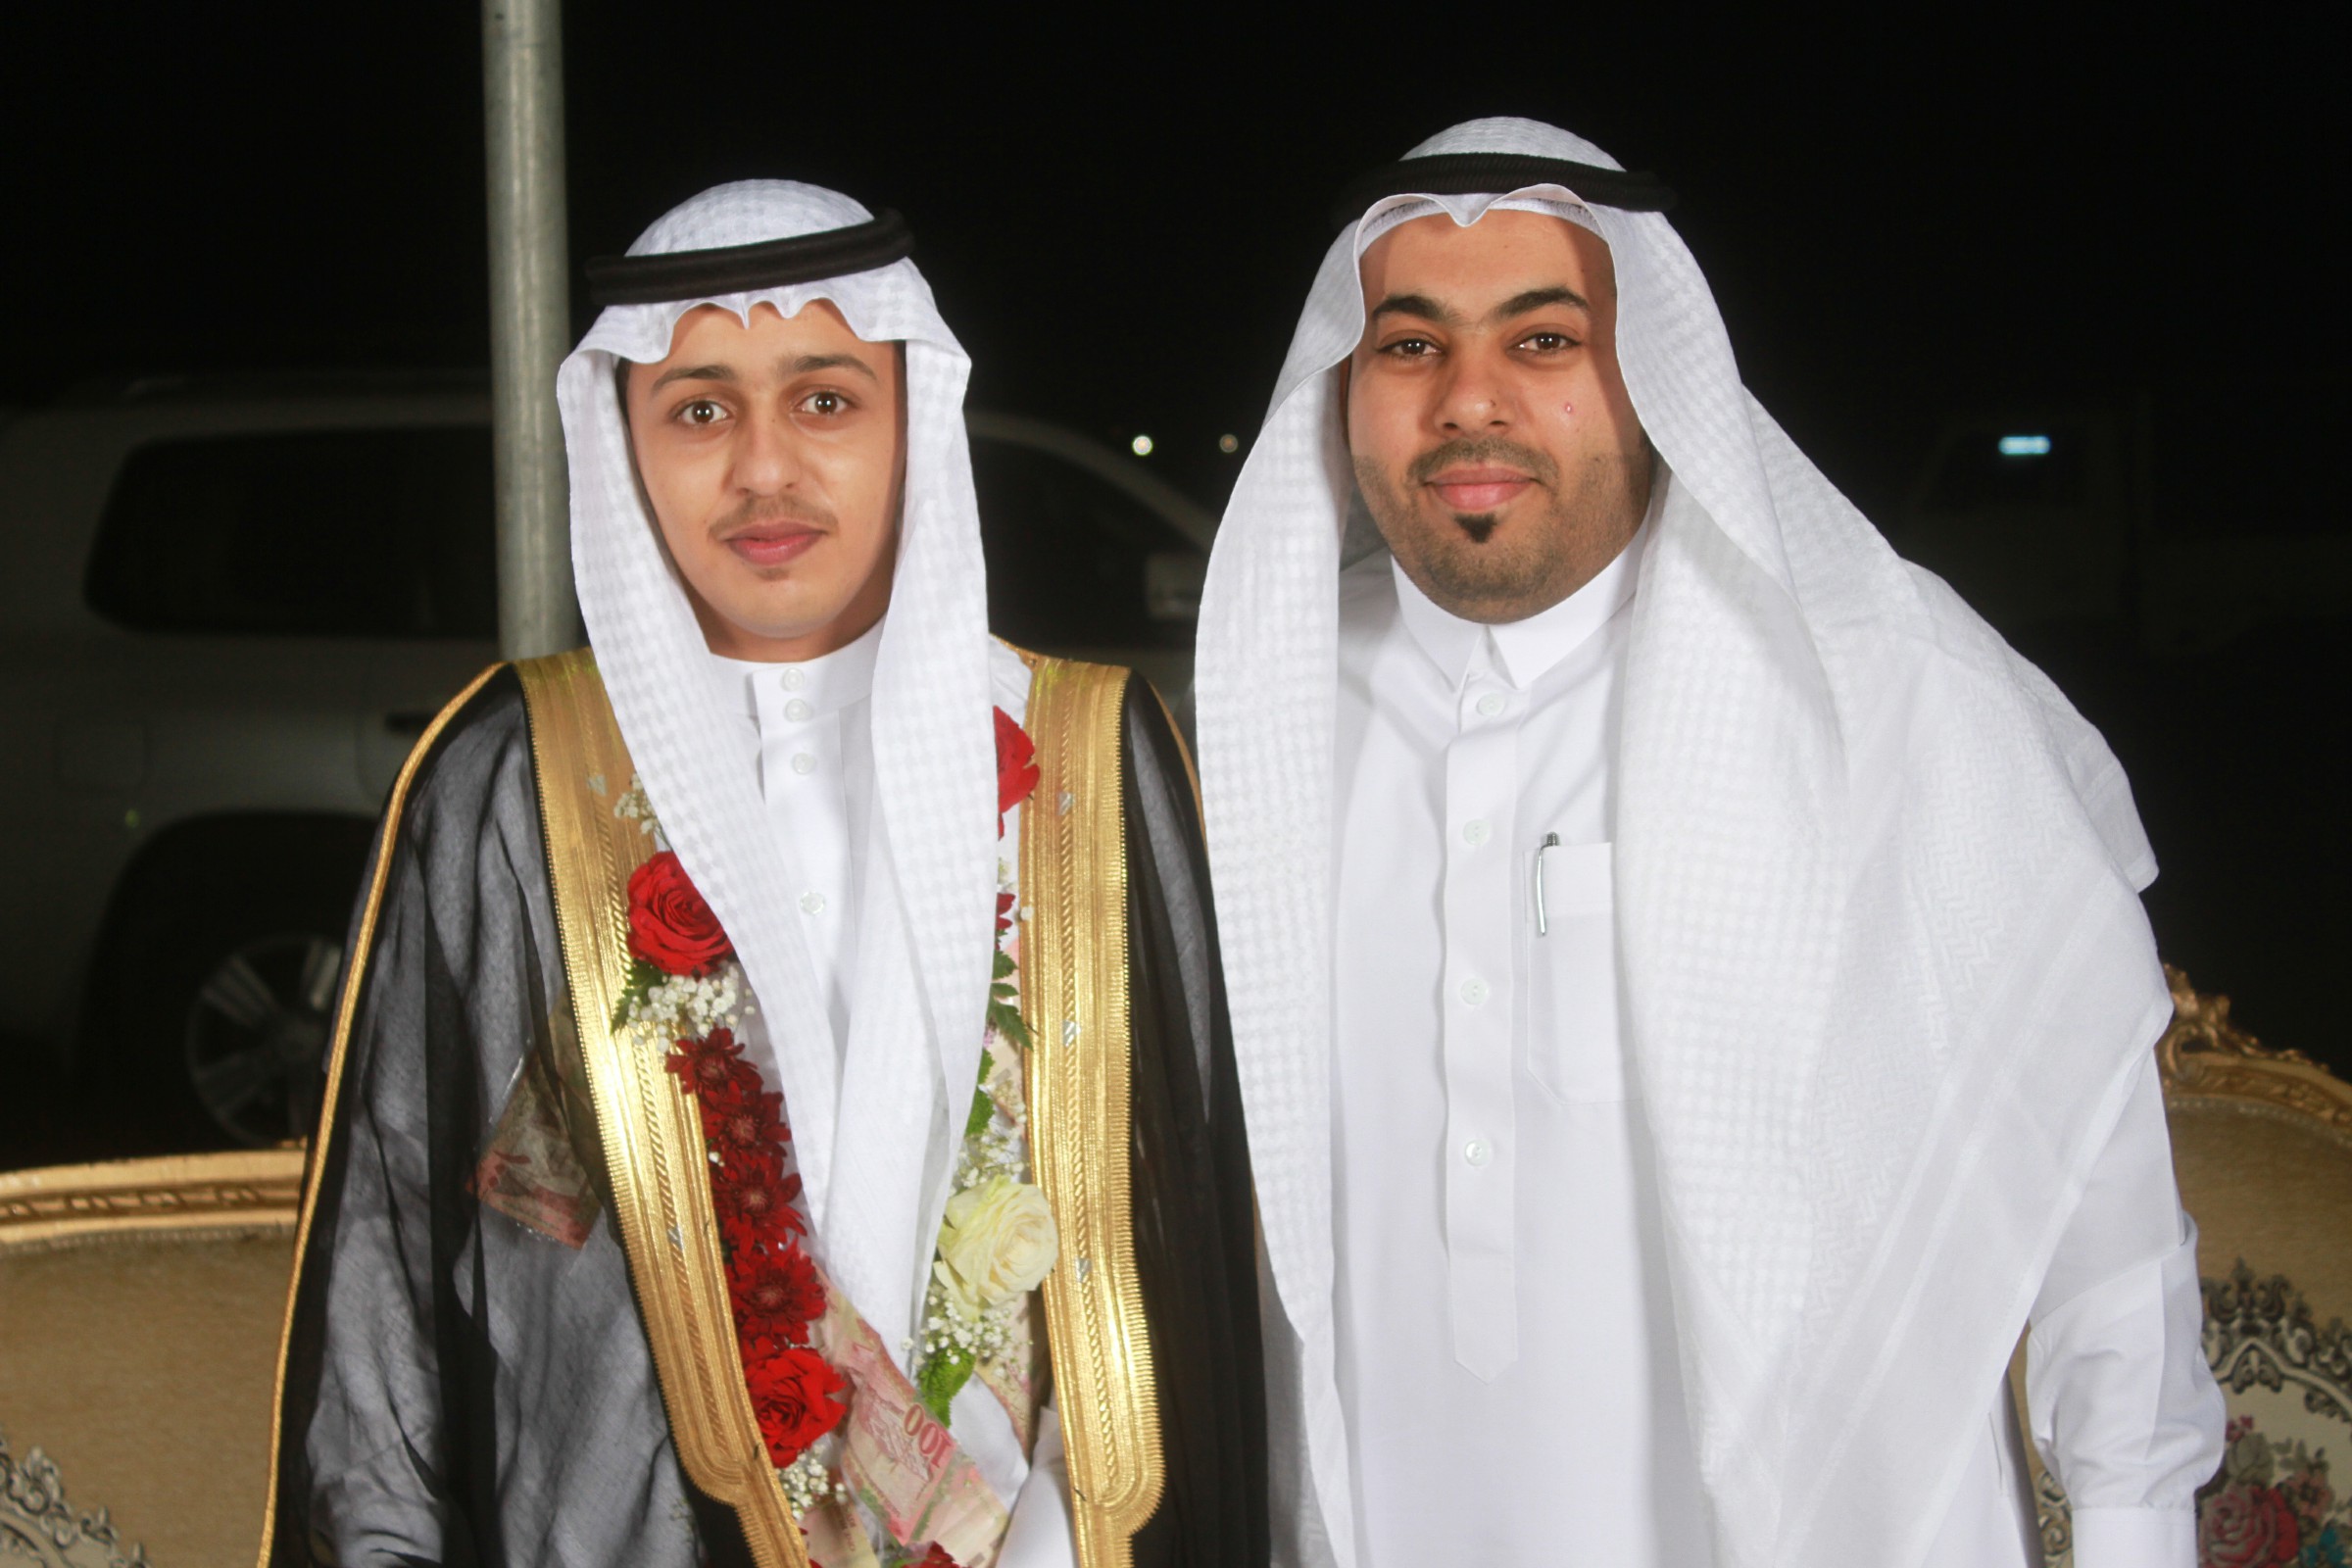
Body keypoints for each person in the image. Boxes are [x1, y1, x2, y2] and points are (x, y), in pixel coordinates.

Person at [1194, 118, 2223, 1568]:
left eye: (1544, 341)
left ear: (1654, 372)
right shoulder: (1262, 726)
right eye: (1410, 346)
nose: (1469, 400)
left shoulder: (1883, 695)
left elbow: (2100, 1218)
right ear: (1344, 388)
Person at [260, 181, 1265, 1568]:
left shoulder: (1084, 756)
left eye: (826, 400)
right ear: (625, 439)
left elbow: (1172, 1236)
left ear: (912, 420)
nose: (764, 471)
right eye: (699, 410)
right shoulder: (515, 779)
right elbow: (395, 1259)